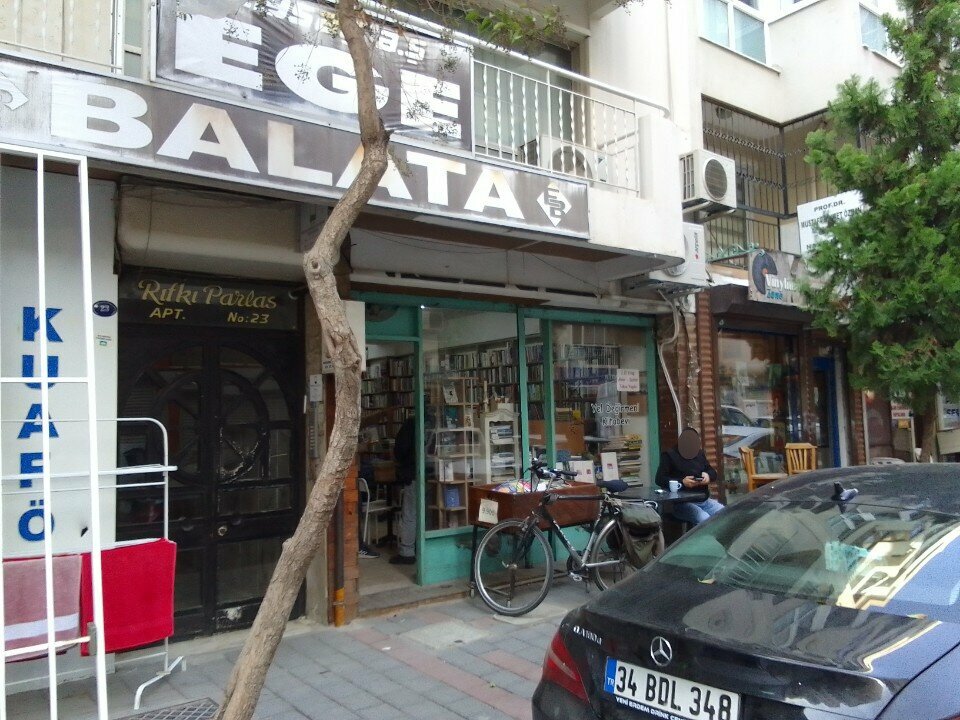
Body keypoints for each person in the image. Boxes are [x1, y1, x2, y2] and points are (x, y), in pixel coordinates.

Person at [655, 427, 724, 526]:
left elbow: (713, 472)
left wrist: (707, 476)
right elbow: (659, 479)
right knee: (703, 518)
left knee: (725, 515)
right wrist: (682, 482)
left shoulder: (699, 454)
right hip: (682, 504)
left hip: (703, 500)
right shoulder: (669, 455)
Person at [390, 414, 417, 564]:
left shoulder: (411, 424)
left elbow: (401, 448)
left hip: (413, 474)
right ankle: (421, 547)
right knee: (427, 515)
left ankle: (407, 552)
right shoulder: (433, 420)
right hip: (434, 474)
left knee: (410, 514)